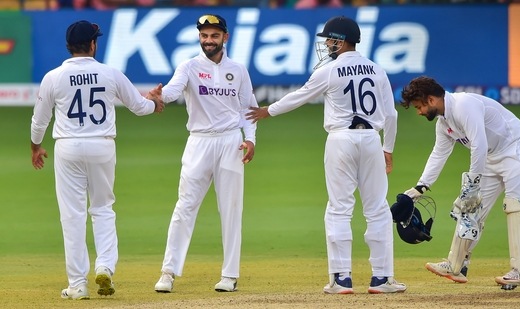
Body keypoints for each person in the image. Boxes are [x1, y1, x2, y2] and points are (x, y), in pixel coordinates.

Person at [246, 16, 406, 294]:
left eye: (329, 40)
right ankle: (382, 278)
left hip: (340, 139)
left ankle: (341, 278)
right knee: (377, 209)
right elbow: (391, 114)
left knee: (339, 208)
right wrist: (387, 149)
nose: (327, 45)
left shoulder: (330, 71)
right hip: (371, 139)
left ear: (341, 41)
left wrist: (267, 111)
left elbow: (299, 96)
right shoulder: (377, 70)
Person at [30, 20, 164, 300]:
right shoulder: (109, 73)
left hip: (67, 147)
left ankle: (78, 284)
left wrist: (36, 146)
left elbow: (40, 120)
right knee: (103, 208)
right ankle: (105, 266)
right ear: (92, 44)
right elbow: (139, 108)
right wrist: (154, 102)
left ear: (69, 46)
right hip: (102, 145)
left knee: (72, 215)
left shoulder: (53, 77)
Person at [399, 76, 520, 289]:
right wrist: (421, 186)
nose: (419, 112)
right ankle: (456, 265)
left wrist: (472, 184)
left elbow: (479, 144)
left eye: (419, 107)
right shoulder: (443, 123)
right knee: (471, 209)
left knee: (515, 205)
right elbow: (439, 154)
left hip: (516, 148)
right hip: (491, 157)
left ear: (431, 100)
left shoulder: (464, 105)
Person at [153, 14, 258, 293]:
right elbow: (173, 91)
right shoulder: (189, 67)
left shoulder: (238, 69)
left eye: (213, 36)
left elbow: (249, 109)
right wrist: (159, 96)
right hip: (198, 142)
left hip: (230, 142)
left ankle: (229, 275)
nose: (208, 41)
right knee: (184, 207)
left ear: (225, 37)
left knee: (231, 209)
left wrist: (251, 140)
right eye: (203, 36)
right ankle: (168, 272)